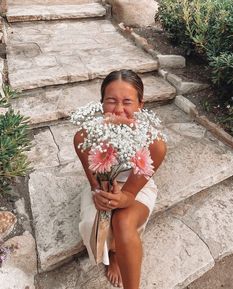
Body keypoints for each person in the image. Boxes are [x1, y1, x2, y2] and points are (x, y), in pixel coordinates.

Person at [74, 69, 167, 289]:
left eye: (127, 102)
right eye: (111, 101)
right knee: (97, 220)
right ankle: (113, 255)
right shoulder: (84, 137)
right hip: (104, 183)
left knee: (122, 222)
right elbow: (94, 179)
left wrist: (122, 199)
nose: (118, 109)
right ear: (101, 103)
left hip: (136, 186)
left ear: (140, 105)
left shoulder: (155, 144)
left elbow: (130, 193)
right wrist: (99, 193)